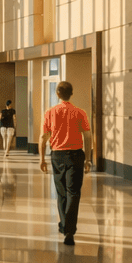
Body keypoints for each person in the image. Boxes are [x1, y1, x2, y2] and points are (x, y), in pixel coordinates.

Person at [39, 81, 91, 245]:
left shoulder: (50, 112)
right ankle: (69, 229)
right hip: (76, 155)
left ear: (57, 94)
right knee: (74, 193)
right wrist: (88, 158)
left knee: (62, 193)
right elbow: (88, 136)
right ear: (71, 93)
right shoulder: (80, 112)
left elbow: (43, 137)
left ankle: (65, 227)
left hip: (58, 156)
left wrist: (41, 158)